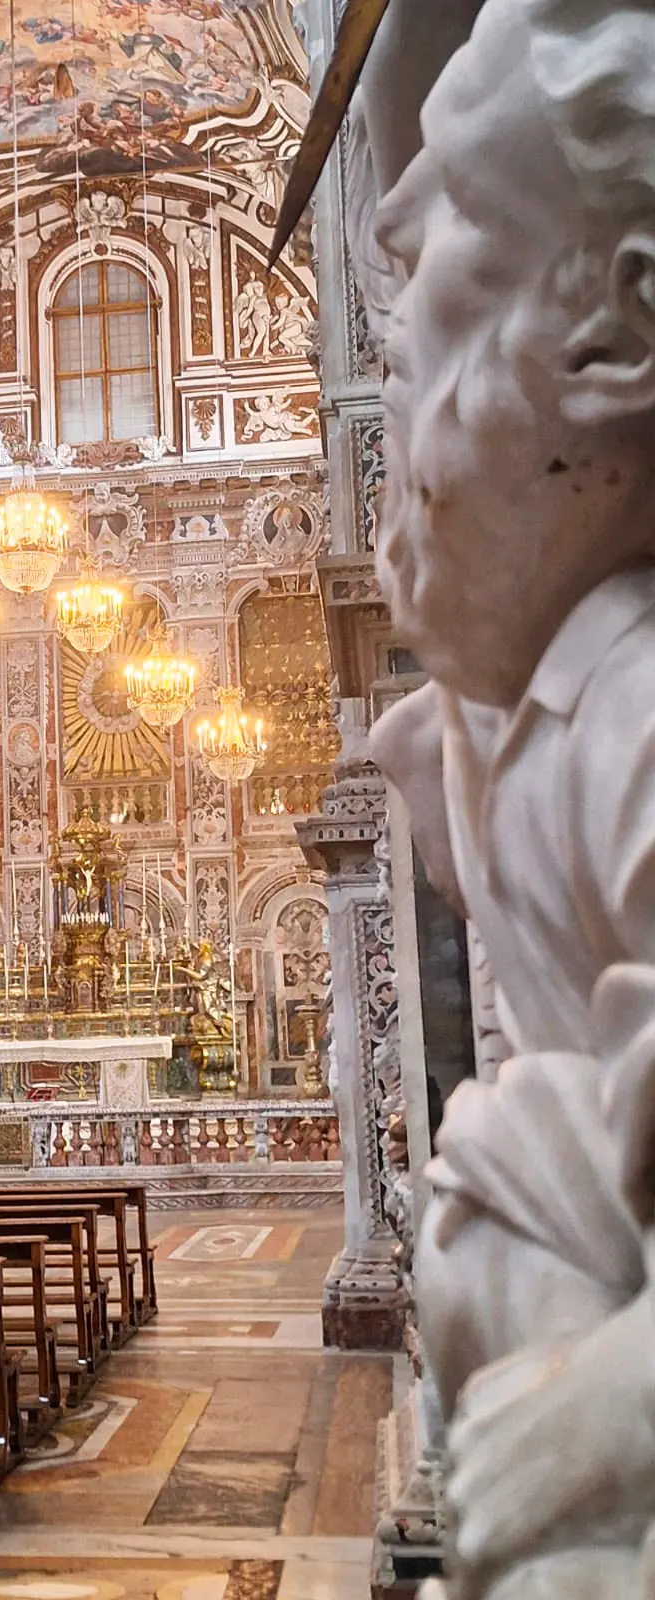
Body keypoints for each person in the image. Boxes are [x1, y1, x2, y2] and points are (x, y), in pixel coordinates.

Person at [357, 3, 655, 1593]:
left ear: (623, 335)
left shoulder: (629, 707)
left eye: (447, 251)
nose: (389, 340)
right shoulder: (490, 727)